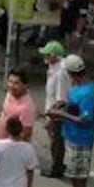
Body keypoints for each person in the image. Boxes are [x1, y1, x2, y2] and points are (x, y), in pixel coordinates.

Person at [48, 54, 94, 187]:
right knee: (78, 176)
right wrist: (61, 106)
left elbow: (85, 120)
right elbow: (72, 106)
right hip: (71, 136)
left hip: (80, 140)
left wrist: (60, 114)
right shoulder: (77, 87)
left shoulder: (87, 93)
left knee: (77, 178)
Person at [40, 40, 69, 177]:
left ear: (54, 56)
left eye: (47, 55)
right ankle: (58, 164)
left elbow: (60, 99)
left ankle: (57, 167)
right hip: (52, 110)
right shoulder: (53, 69)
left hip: (56, 113)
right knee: (55, 141)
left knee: (56, 142)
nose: (44, 57)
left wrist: (51, 118)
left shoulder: (60, 73)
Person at [0, 67, 36, 140]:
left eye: (16, 83)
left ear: (25, 85)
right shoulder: (10, 94)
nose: (11, 86)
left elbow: (26, 134)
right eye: (10, 81)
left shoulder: (27, 107)